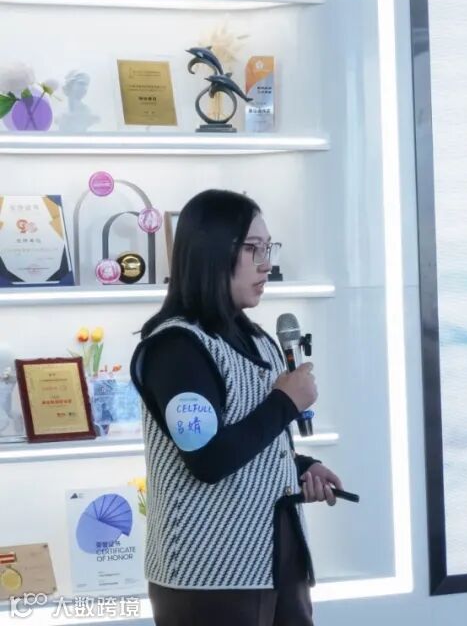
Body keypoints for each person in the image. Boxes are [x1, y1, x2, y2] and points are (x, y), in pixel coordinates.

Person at [130, 189, 345, 625]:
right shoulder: (178, 347)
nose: (266, 264)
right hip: (208, 575)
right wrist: (286, 401)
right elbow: (208, 459)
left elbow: (251, 440)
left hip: (277, 558)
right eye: (252, 249)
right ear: (211, 252)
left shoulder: (258, 338)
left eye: (268, 249)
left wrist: (301, 466)